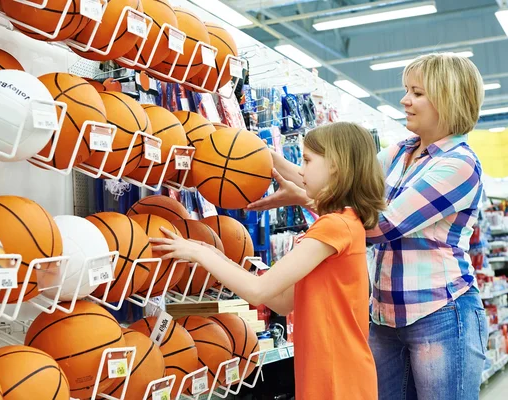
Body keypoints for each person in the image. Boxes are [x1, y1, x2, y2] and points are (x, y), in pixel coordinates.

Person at [248, 53, 488, 400]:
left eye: (417, 93)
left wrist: (301, 198)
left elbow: (379, 225)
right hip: (384, 317)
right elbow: (335, 183)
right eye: (407, 90)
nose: (405, 100)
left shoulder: (460, 164)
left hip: (441, 313)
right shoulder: (396, 154)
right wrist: (264, 157)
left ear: (447, 97)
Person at [151, 122, 384, 400]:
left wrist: (200, 254)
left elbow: (258, 292)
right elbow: (282, 301)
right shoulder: (343, 223)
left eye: (308, 160)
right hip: (329, 370)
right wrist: (215, 256)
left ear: (335, 165)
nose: (300, 170)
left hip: (337, 375)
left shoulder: (334, 226)